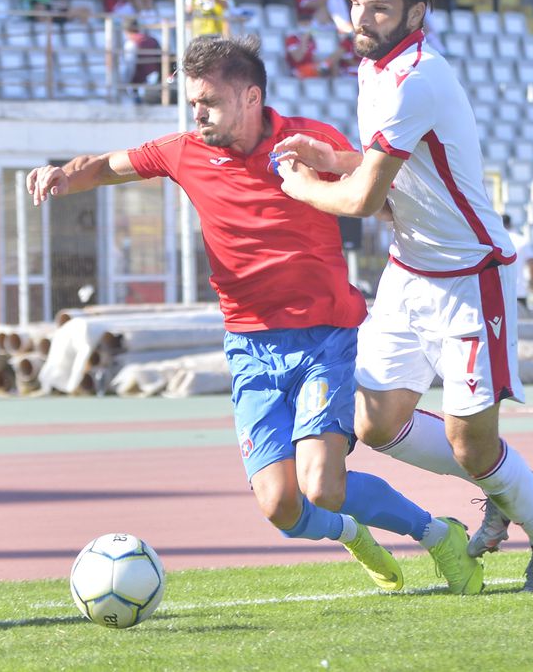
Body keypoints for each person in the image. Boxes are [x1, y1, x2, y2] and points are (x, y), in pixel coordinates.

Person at [26, 35, 483, 596]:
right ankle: (353, 536)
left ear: (250, 97)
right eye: (192, 102)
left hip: (326, 340)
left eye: (208, 102)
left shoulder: (311, 141)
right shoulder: (182, 152)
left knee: (320, 486)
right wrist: (66, 175)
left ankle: (437, 535)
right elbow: (108, 167)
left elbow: (383, 199)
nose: (197, 114)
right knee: (282, 509)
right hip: (249, 347)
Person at [274, 0, 533, 593]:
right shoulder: (373, 69)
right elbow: (391, 176)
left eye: (377, 7)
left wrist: (303, 186)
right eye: (355, 3)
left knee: (474, 447)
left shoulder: (419, 77)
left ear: (416, 13)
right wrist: (332, 156)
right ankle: (504, 479)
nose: (360, 16)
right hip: (408, 272)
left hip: (472, 279)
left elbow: (362, 202)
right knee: (375, 424)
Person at [121, 17, 163, 104]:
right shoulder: (153, 40)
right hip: (155, 81)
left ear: (125, 31)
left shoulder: (131, 43)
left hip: (140, 85)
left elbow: (130, 67)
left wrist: (125, 83)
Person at [502, 215, 533, 315]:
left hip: (501, 291)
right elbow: (532, 263)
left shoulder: (495, 240)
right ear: (511, 224)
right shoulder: (521, 241)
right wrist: (532, 284)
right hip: (520, 291)